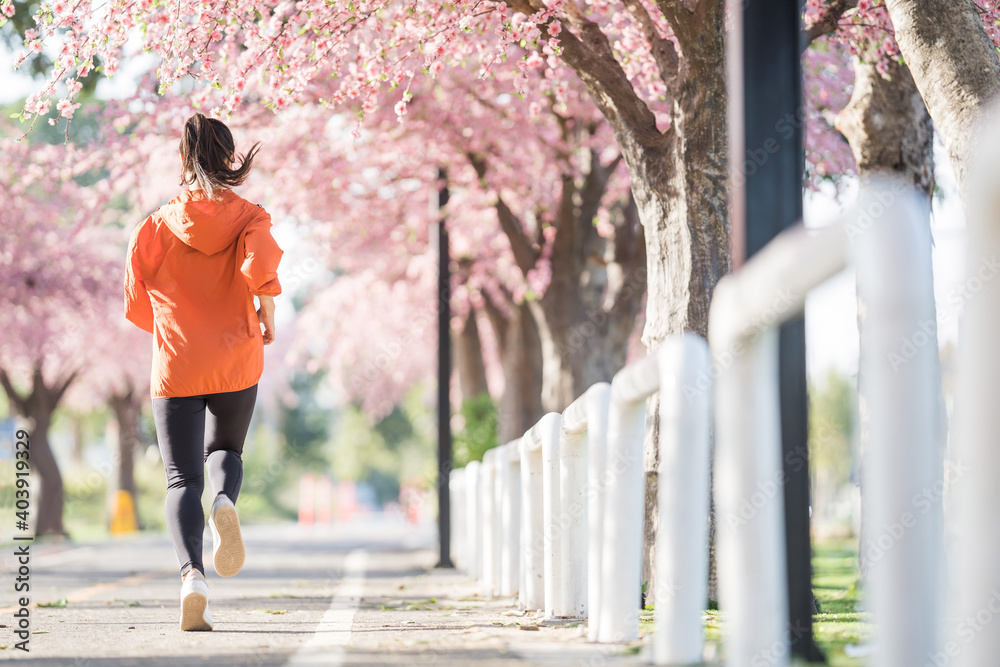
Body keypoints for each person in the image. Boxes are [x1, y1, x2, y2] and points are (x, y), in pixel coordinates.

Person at [123, 113, 283, 632]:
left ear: (184, 158)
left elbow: (135, 303)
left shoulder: (153, 225)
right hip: (237, 357)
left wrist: (174, 330)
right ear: (231, 157)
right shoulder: (251, 218)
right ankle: (223, 501)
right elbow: (262, 273)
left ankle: (192, 576)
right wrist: (266, 317)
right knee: (226, 453)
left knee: (179, 477)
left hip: (177, 367)